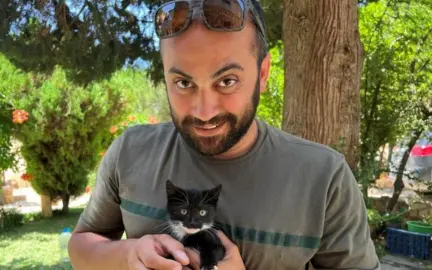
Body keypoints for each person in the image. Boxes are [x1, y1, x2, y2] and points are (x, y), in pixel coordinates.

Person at [68, 0, 381, 269]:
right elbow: (81, 247)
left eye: (227, 81)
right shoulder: (130, 152)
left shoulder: (325, 178)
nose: (204, 112)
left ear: (262, 73)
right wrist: (127, 255)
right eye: (183, 83)